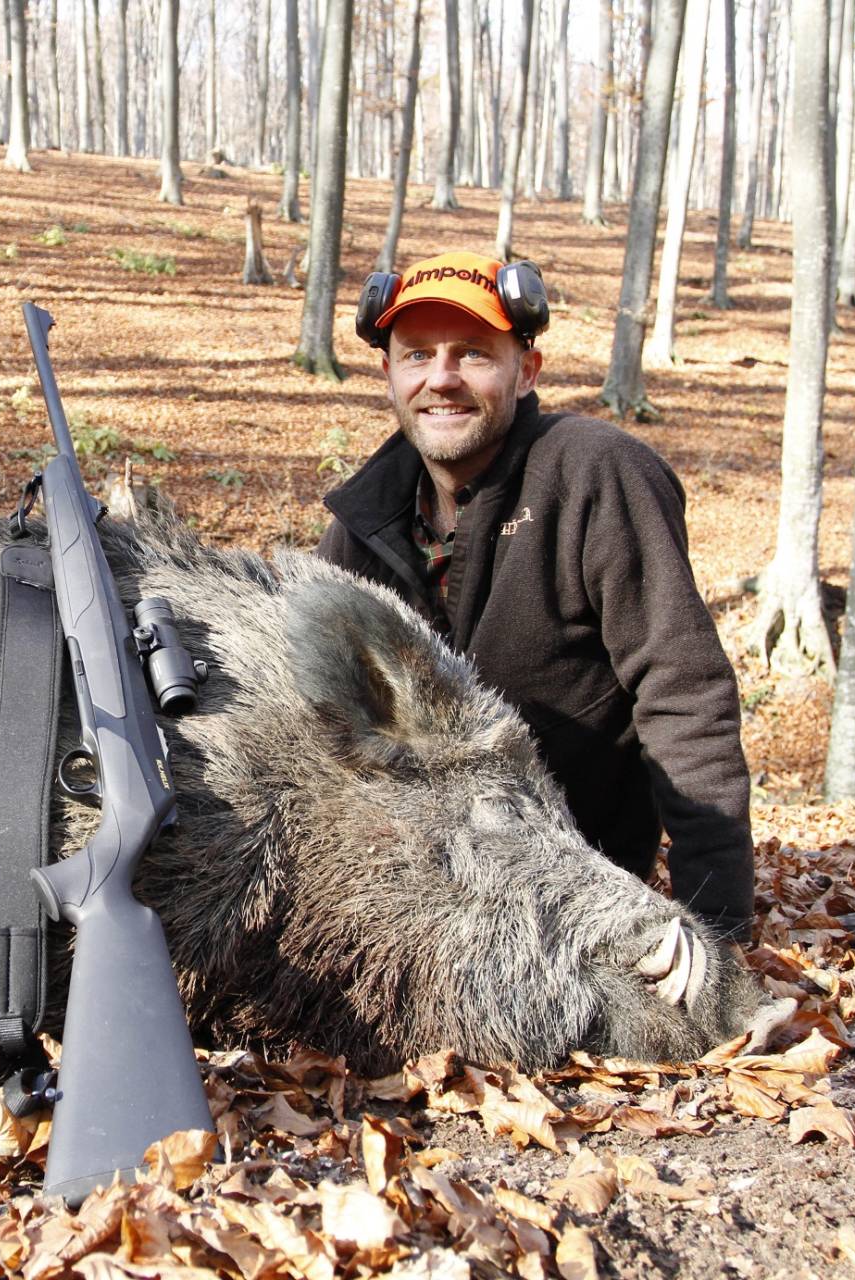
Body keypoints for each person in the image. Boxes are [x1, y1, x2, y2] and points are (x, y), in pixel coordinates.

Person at [316, 249, 755, 952]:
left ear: (526, 372)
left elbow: (682, 692)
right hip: (410, 889)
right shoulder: (362, 521)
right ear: (389, 376)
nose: (442, 378)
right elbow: (314, 719)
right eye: (417, 354)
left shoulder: (597, 475)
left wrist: (720, 921)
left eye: (473, 353)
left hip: (578, 891)